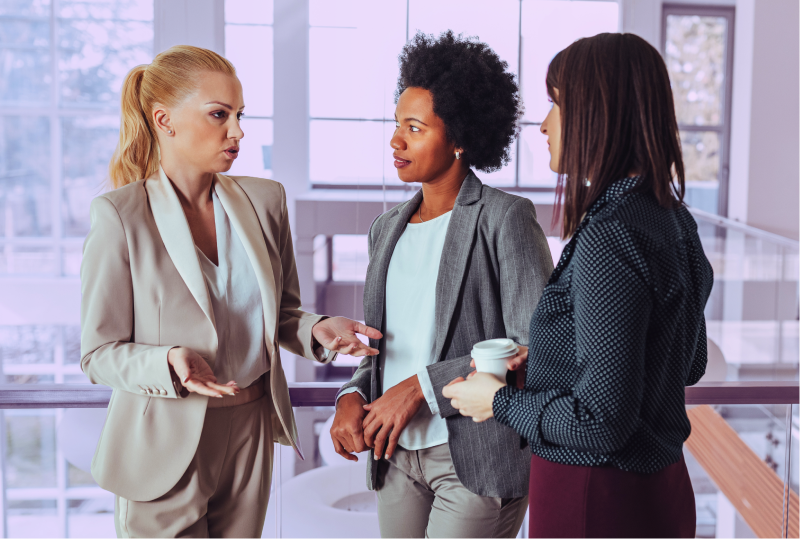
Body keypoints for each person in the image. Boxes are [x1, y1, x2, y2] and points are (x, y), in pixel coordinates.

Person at [80, 45, 380, 539]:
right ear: (164, 119)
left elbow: (282, 313)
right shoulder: (119, 216)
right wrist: (168, 359)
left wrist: (318, 330)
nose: (237, 132)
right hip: (162, 441)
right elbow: (98, 353)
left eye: (240, 115)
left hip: (250, 428)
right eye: (220, 115)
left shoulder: (265, 201)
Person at [444, 33, 713, 539]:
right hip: (662, 491)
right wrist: (551, 358)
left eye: (557, 105)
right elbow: (684, 363)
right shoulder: (674, 220)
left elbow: (601, 422)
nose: (544, 125)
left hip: (596, 497)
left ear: (599, 112)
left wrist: (496, 401)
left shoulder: (611, 235)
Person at [330, 31, 554, 539]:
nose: (396, 140)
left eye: (414, 127)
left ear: (459, 138)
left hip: (476, 456)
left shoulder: (505, 219)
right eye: (396, 125)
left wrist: (420, 388)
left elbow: (535, 344)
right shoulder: (385, 229)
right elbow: (383, 348)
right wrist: (350, 394)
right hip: (394, 453)